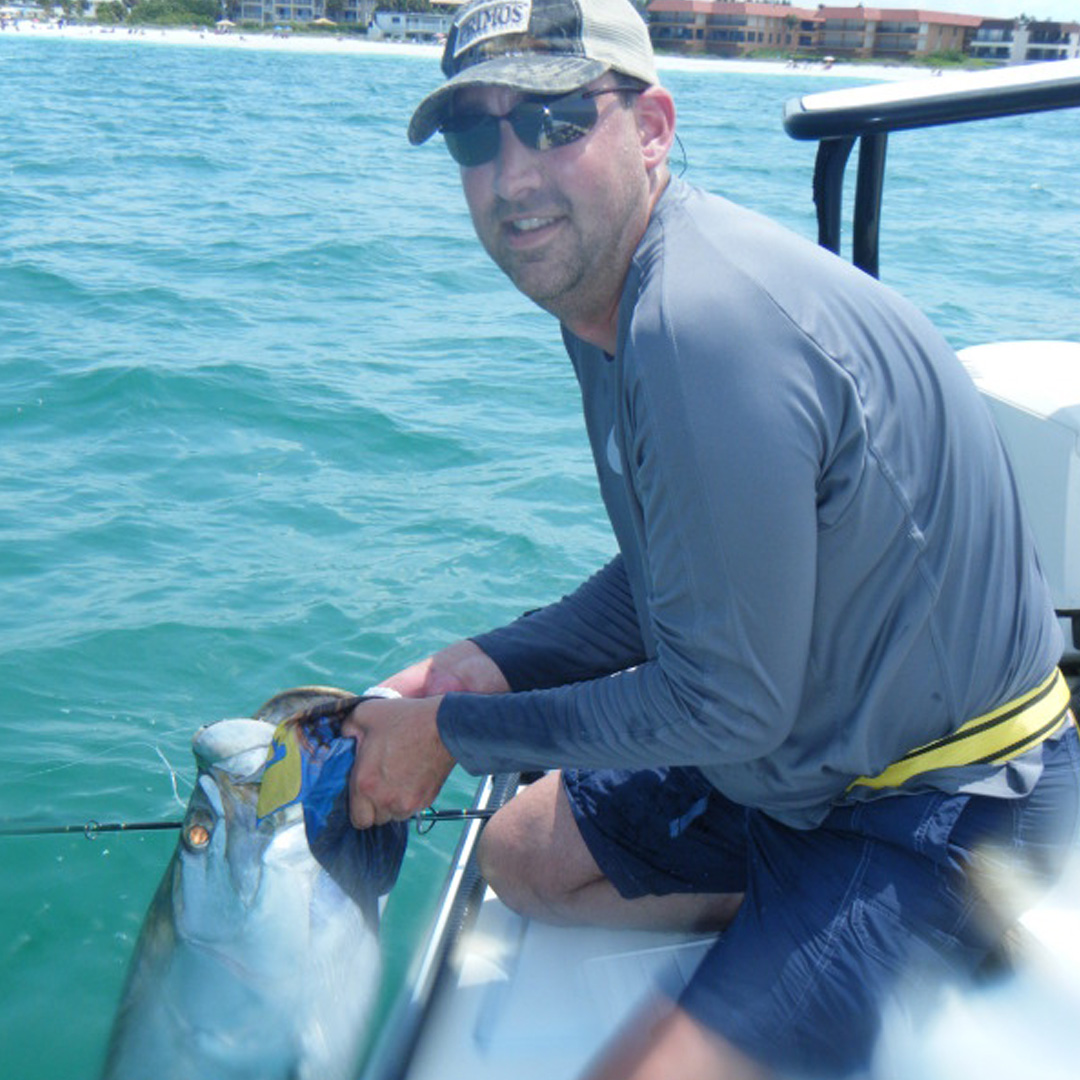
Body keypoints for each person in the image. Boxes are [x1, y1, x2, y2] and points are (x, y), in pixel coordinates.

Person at [340, 1, 1080, 1076]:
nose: (512, 176)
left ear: (652, 125)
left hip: (941, 803)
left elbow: (724, 702)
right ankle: (788, 929)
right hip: (799, 760)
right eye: (475, 136)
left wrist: (454, 735)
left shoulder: (697, 327)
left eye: (554, 120)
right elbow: (675, 573)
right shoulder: (609, 301)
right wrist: (489, 666)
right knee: (518, 858)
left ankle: (907, 928)